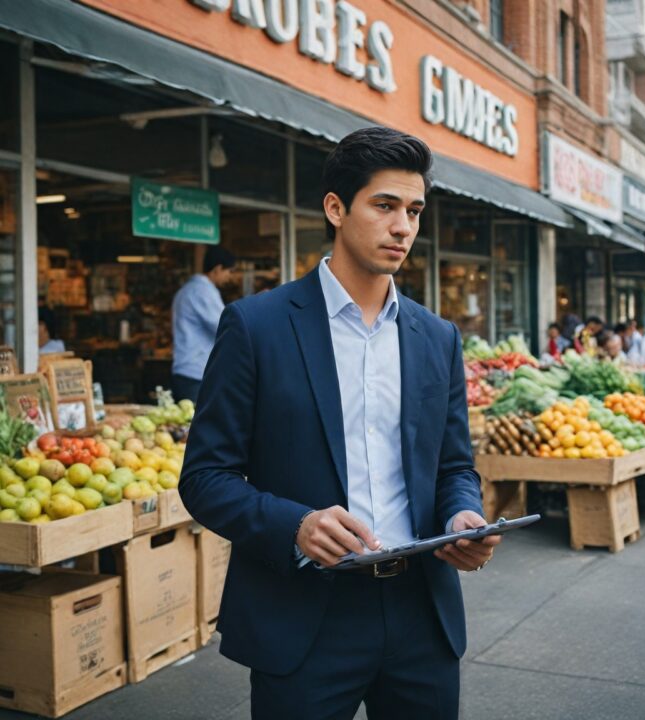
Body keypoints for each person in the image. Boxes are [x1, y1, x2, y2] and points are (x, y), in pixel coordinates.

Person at [178, 127, 496, 719]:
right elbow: (204, 478)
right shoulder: (257, 326)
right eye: (384, 205)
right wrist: (295, 525)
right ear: (335, 208)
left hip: (421, 613)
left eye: (414, 210)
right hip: (304, 618)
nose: (403, 226)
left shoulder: (437, 337)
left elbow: (453, 464)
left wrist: (461, 515)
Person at [171, 246, 236, 403]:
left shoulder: (186, 290)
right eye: (229, 271)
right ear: (218, 269)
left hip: (186, 371)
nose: (229, 277)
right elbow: (226, 325)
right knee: (199, 425)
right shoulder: (203, 291)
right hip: (195, 372)